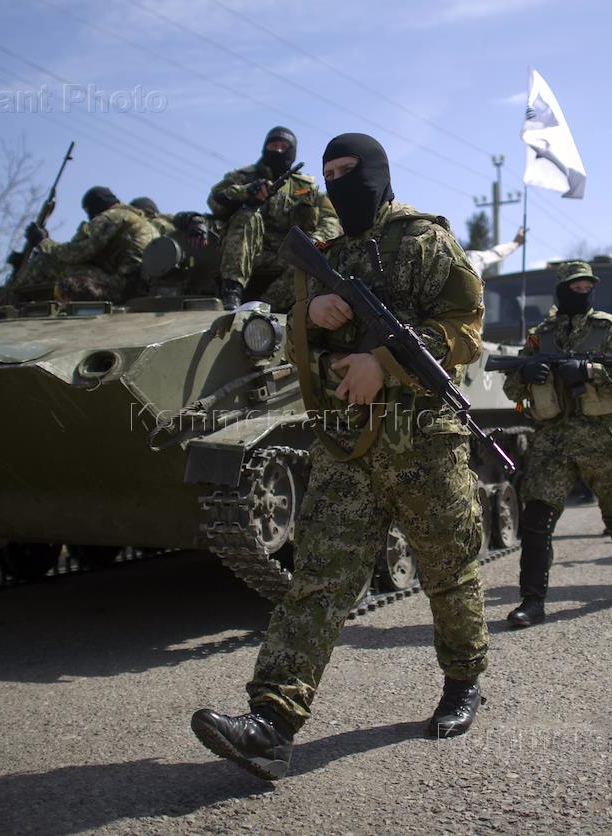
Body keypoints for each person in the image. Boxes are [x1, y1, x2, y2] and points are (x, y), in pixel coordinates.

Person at [191, 133, 490, 780]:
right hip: (346, 445)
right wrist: (309, 314)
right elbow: (291, 348)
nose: (337, 182)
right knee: (319, 580)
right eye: (328, 173)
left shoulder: (423, 240)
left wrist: (381, 364)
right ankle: (271, 722)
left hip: (424, 443)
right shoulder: (323, 253)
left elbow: (466, 331)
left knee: (447, 569)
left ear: (377, 174)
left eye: (349, 171)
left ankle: (464, 681)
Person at [501, 261, 612, 628]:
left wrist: (590, 371)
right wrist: (525, 373)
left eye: (587, 288)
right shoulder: (540, 335)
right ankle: (532, 601)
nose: (582, 293)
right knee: (536, 520)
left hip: (601, 437)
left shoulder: (607, 328)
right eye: (575, 287)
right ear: (562, 290)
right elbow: (511, 388)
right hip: (553, 440)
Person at [207, 126, 341, 310]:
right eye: (273, 145)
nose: (277, 150)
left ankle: (264, 309)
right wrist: (246, 193)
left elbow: (331, 219)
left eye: (283, 146)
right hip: (246, 251)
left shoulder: (307, 187)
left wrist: (315, 241)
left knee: (311, 259)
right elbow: (215, 200)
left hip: (287, 254)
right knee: (248, 215)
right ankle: (232, 293)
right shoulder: (243, 176)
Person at [4, 186, 157, 304]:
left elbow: (78, 253)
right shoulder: (139, 220)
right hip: (143, 288)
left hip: (122, 288)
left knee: (45, 261)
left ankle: (6, 304)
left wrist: (43, 242)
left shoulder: (110, 218)